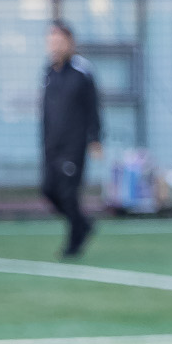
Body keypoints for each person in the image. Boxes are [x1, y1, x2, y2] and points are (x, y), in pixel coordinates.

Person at [39, 20, 100, 258]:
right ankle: (83, 224)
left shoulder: (82, 72)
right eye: (51, 41)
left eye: (59, 40)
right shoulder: (48, 72)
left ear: (70, 43)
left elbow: (93, 107)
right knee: (48, 190)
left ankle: (74, 240)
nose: (54, 45)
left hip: (73, 145)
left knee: (67, 193)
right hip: (51, 145)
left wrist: (95, 138)